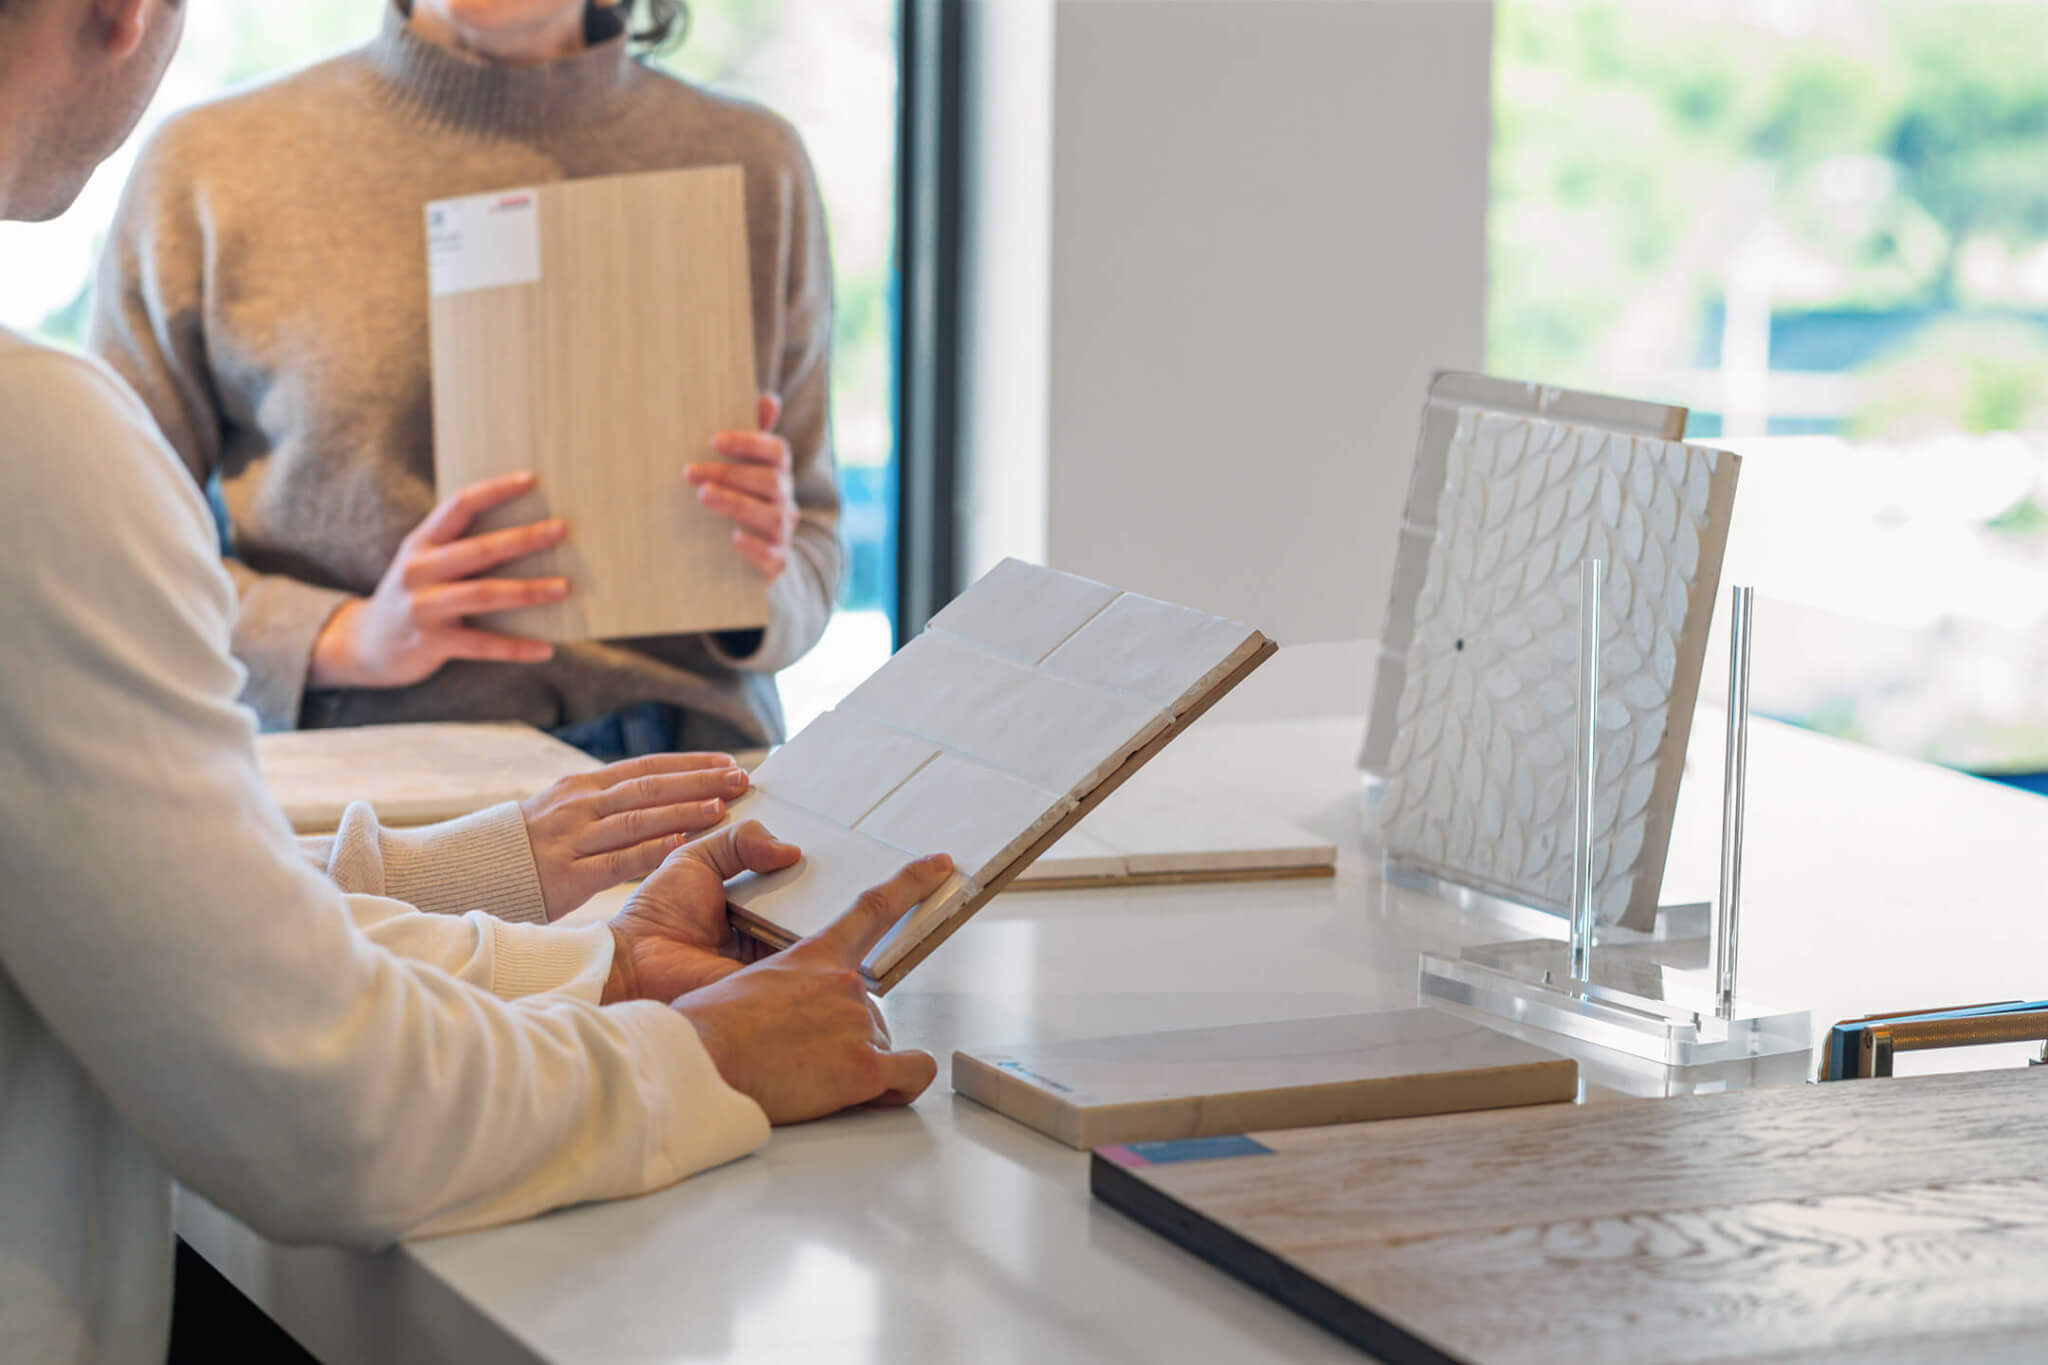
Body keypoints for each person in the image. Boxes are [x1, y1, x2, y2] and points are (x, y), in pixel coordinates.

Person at [0, 2, 950, 1360]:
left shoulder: (753, 161)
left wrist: (591, 965)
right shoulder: (48, 425)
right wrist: (702, 1055)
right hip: (368, 787)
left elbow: (191, 939)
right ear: (123, 14)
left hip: (686, 815)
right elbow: (304, 1090)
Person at [91, 0, 841, 760]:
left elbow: (815, 543)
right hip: (365, 788)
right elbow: (110, 559)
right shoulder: (213, 166)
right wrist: (342, 638)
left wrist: (757, 577)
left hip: (689, 772)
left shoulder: (752, 162)